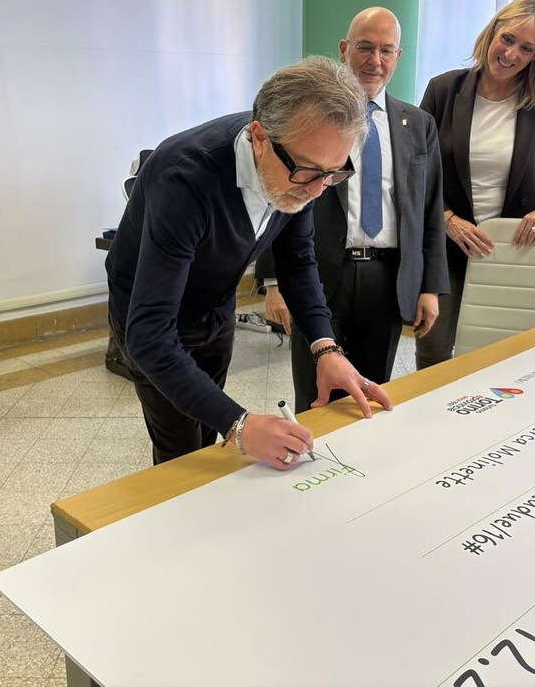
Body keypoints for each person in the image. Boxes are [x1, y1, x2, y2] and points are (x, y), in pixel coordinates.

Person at [106, 56, 393, 469]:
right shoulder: (184, 179)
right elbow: (149, 336)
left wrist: (326, 347)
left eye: (333, 173)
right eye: (308, 172)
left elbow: (297, 261)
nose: (317, 191)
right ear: (259, 138)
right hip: (147, 313)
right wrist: (240, 424)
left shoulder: (304, 164)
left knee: (209, 435)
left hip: (215, 301)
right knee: (181, 452)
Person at [257, 7, 448, 412]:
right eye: (364, 47)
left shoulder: (419, 125)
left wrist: (429, 286)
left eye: (386, 50)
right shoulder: (308, 116)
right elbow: (278, 194)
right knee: (316, 397)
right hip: (318, 276)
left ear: (398, 56)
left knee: (371, 396)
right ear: (344, 49)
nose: (374, 60)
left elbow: (430, 210)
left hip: (387, 279)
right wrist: (274, 281)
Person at [415, 0, 535, 370]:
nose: (511, 54)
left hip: (514, 246)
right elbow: (416, 168)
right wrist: (447, 219)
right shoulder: (443, 89)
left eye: (527, 48)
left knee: (510, 352)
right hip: (448, 244)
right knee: (434, 348)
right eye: (507, 39)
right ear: (492, 32)